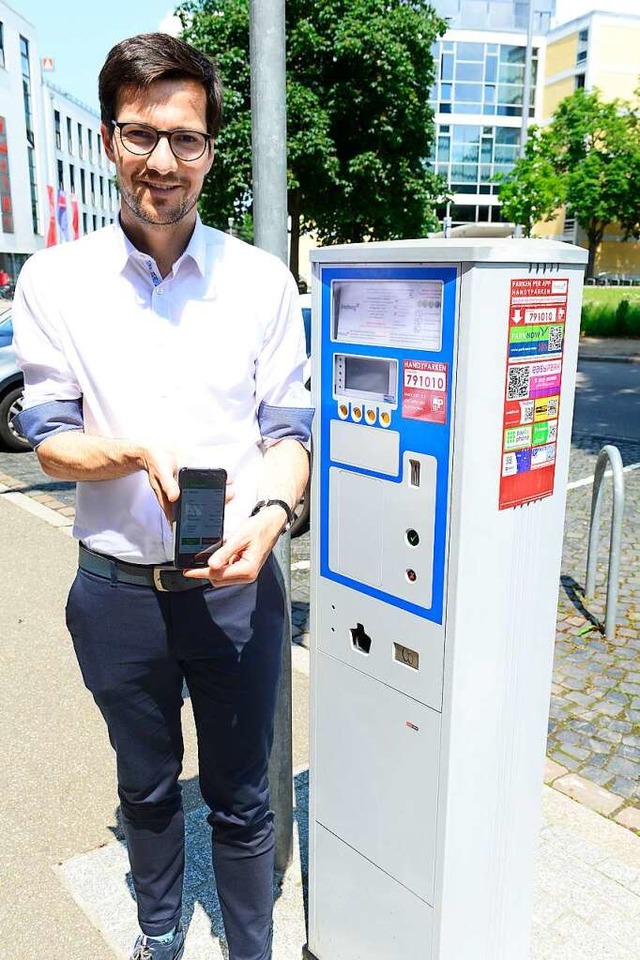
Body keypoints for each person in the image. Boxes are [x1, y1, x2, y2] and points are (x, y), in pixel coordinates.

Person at [12, 33, 311, 960]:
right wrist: (135, 450)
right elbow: (50, 436)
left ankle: (250, 948)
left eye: (186, 140)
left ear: (211, 150)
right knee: (143, 788)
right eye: (142, 135)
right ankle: (157, 936)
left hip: (233, 586)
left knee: (242, 796)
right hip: (116, 593)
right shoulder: (56, 280)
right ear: (110, 140)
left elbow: (289, 438)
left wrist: (270, 519)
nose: (163, 162)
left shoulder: (259, 281)